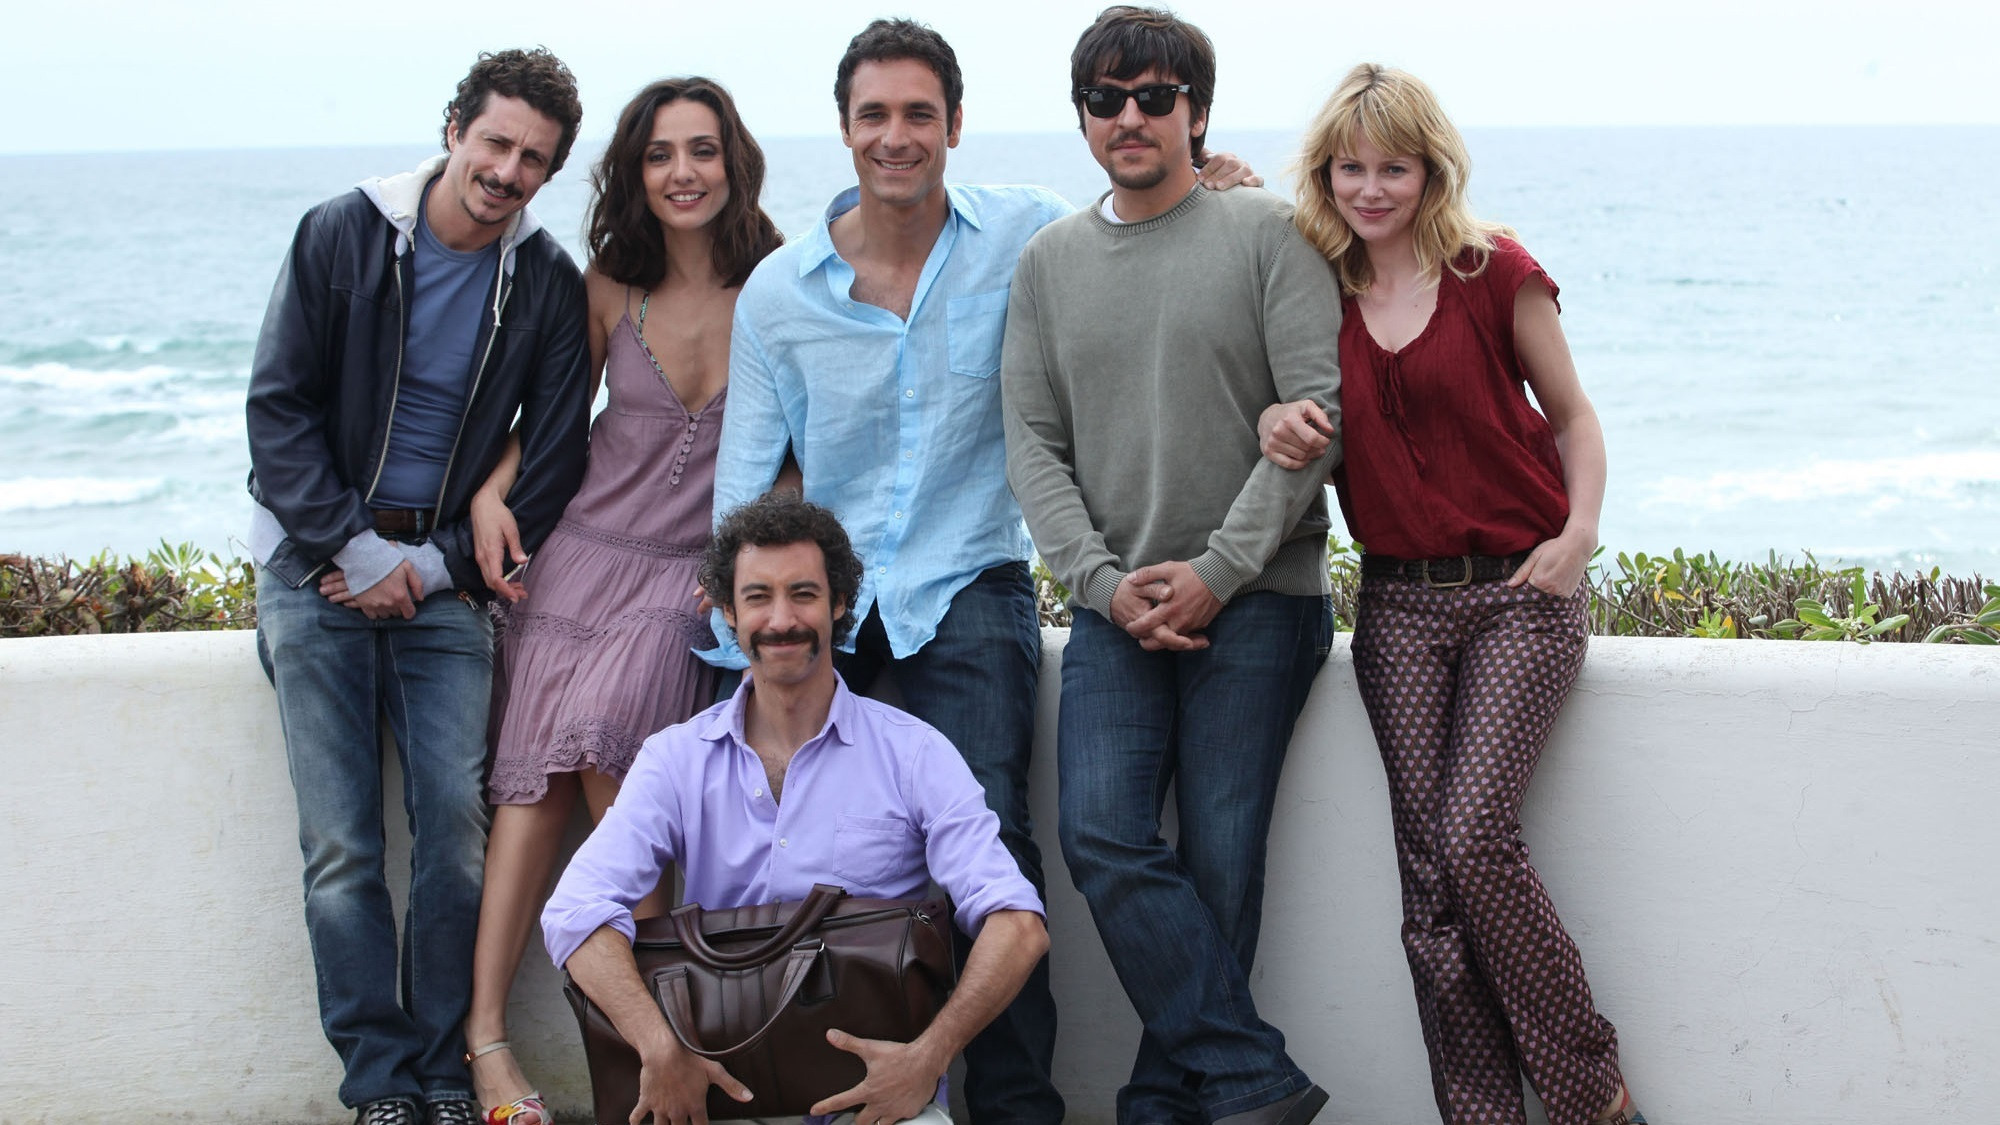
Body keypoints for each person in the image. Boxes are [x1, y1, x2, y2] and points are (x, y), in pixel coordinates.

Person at [706, 21, 1260, 1120]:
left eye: (919, 114)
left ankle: (1013, 1109)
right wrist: (749, 638)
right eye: (874, 115)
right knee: (821, 857)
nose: (896, 136)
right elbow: (744, 492)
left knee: (988, 848)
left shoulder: (1025, 233)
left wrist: (1219, 191)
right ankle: (829, 1096)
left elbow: (1134, 225)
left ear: (955, 125)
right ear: (844, 129)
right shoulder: (778, 294)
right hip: (831, 611)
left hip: (968, 585)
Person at [1257, 63, 1644, 1125]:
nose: (1369, 189)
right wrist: (1273, 421)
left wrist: (1577, 535)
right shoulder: (1314, 289)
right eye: (1349, 169)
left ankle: (1590, 1094)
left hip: (1518, 589)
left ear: (1431, 171)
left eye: (1393, 168)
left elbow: (1573, 416)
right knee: (1428, 888)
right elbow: (1279, 399)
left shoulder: (1493, 271)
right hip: (1396, 609)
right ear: (1324, 175)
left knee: (1473, 837)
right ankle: (1481, 1114)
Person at [999, 8, 1344, 1125]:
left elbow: (1316, 418)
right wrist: (1103, 585)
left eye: (1155, 97)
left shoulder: (1267, 232)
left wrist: (1218, 570)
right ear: (1082, 117)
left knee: (1221, 865)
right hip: (1116, 610)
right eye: (1106, 99)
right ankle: (1250, 1077)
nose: (1130, 117)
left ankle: (1164, 1108)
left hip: (1259, 601)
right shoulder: (1048, 263)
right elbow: (1031, 446)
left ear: (1197, 112)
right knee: (1099, 835)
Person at [245, 49, 591, 1125]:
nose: (507, 171)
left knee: (453, 829)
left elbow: (555, 454)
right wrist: (352, 550)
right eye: (495, 142)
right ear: (453, 130)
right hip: (315, 572)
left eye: (533, 159)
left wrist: (434, 564)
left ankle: (445, 1072)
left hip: (443, 586)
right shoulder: (341, 234)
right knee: (342, 845)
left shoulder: (546, 282)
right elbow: (278, 410)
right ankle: (379, 1084)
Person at [453, 77, 787, 1125]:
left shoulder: (781, 283)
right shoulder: (608, 286)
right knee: (529, 793)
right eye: (658, 154)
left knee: (613, 762)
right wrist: (490, 490)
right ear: (634, 174)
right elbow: (552, 419)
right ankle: (487, 1042)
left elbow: (798, 451)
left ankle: (652, 1053)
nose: (681, 172)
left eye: (701, 150)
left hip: (689, 573)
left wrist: (742, 566)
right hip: (581, 556)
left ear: (733, 162)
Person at [545, 492, 1050, 1125]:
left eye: (803, 594)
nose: (781, 619)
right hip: (709, 1096)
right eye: (758, 597)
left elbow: (1018, 924)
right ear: (729, 611)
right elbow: (575, 913)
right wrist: (659, 1045)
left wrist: (928, 1058)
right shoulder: (674, 758)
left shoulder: (914, 752)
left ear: (840, 603)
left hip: (878, 1106)